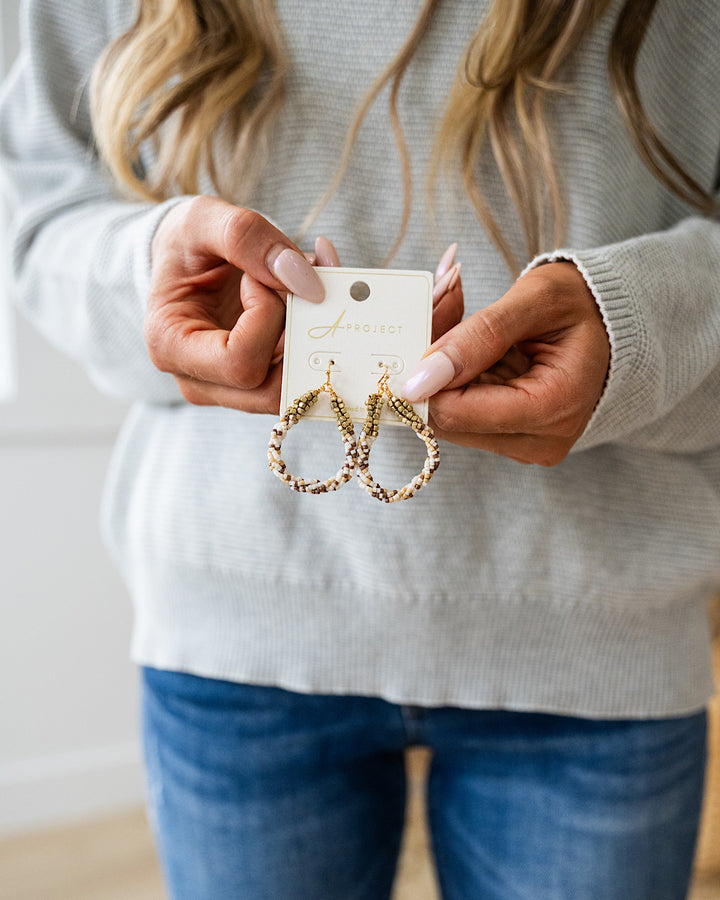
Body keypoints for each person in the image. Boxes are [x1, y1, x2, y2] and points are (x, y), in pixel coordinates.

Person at [1, 0, 719, 897]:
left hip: (596, 627)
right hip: (237, 628)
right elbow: (37, 214)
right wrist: (150, 271)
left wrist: (643, 330)